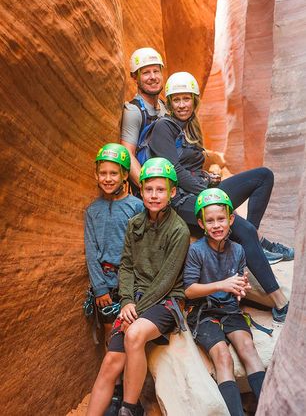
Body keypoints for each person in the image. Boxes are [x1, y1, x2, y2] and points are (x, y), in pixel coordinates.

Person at [148, 71, 292, 323]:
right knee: (241, 227)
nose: (182, 104)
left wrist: (207, 179)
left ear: (194, 101)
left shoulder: (190, 127)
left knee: (263, 176)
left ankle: (250, 244)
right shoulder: (164, 127)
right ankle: (280, 302)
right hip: (181, 201)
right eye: (177, 100)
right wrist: (207, 193)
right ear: (169, 103)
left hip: (200, 191)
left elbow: (191, 166)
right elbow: (175, 170)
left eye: (186, 99)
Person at [86, 158, 190, 416]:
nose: (154, 195)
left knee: (133, 334)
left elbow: (166, 280)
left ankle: (129, 409)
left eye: (161, 190)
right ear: (140, 190)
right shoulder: (135, 225)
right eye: (149, 189)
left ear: (172, 192)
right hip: (136, 301)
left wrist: (132, 310)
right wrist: (126, 301)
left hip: (165, 301)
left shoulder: (179, 230)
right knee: (110, 361)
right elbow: (127, 266)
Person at [184, 188, 266, 416]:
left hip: (230, 309)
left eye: (221, 219)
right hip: (204, 312)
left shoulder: (238, 250)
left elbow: (237, 281)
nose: (216, 225)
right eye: (210, 221)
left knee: (248, 348)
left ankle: (269, 408)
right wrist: (223, 284)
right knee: (223, 356)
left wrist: (240, 288)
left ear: (231, 220)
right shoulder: (196, 251)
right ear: (201, 224)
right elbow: (189, 290)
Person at [84, 143, 144, 414]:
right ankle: (116, 392)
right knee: (111, 335)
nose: (108, 178)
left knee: (130, 336)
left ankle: (132, 394)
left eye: (114, 173)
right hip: (106, 282)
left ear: (123, 176)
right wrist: (99, 287)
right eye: (103, 173)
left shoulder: (137, 207)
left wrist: (131, 286)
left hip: (131, 283)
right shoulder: (92, 211)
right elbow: (90, 250)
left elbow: (141, 249)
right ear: (97, 175)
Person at [120, 47, 167, 187]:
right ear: (135, 77)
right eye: (146, 73)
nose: (153, 77)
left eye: (156, 71)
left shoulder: (165, 107)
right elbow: (128, 154)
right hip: (150, 187)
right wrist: (148, 188)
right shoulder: (134, 111)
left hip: (168, 180)